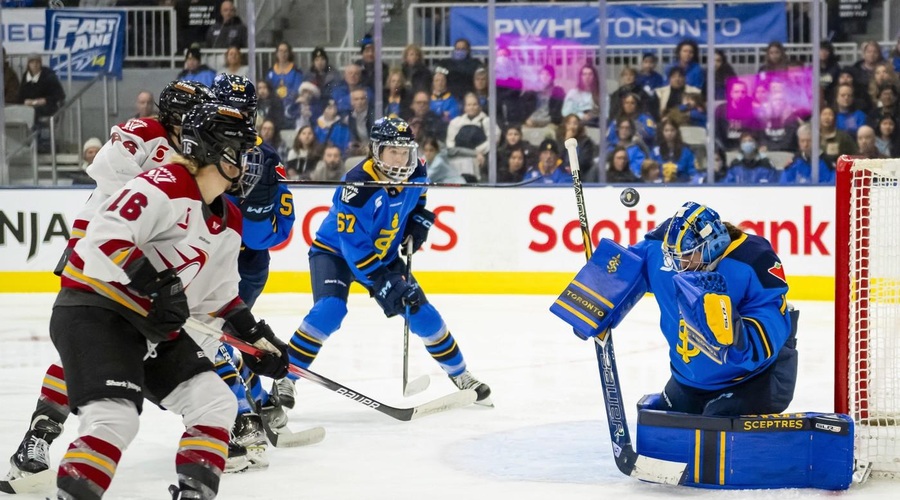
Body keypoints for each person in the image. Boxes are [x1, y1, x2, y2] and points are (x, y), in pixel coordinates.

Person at [49, 103, 285, 500]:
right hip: (97, 311)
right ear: (208, 149)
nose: (248, 163)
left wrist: (257, 338)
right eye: (239, 151)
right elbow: (105, 233)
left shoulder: (230, 219)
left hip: (152, 328)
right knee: (115, 418)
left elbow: (219, 297)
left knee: (216, 405)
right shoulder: (164, 182)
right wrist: (157, 284)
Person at [286, 117, 492, 405]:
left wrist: (418, 222)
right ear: (376, 151)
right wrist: (383, 280)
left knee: (423, 314)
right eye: (392, 151)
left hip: (383, 255)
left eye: (404, 150)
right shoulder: (358, 186)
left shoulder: (417, 169)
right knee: (329, 310)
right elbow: (353, 246)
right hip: (336, 253)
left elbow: (418, 200)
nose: (400, 158)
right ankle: (286, 378)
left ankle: (461, 374)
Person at [617, 201, 796, 416]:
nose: (681, 264)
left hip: (752, 381)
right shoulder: (661, 251)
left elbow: (773, 317)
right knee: (669, 428)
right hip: (687, 381)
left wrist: (737, 337)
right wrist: (595, 297)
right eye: (676, 256)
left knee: (717, 419)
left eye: (690, 255)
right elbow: (624, 264)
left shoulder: (753, 259)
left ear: (714, 244)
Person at [266, 42, 304, 124]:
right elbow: (268, 90)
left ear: (289, 53)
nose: (283, 54)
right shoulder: (270, 72)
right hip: (274, 107)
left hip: (291, 107)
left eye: (285, 51)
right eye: (280, 51)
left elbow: (298, 90)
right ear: (276, 53)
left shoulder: (296, 71)